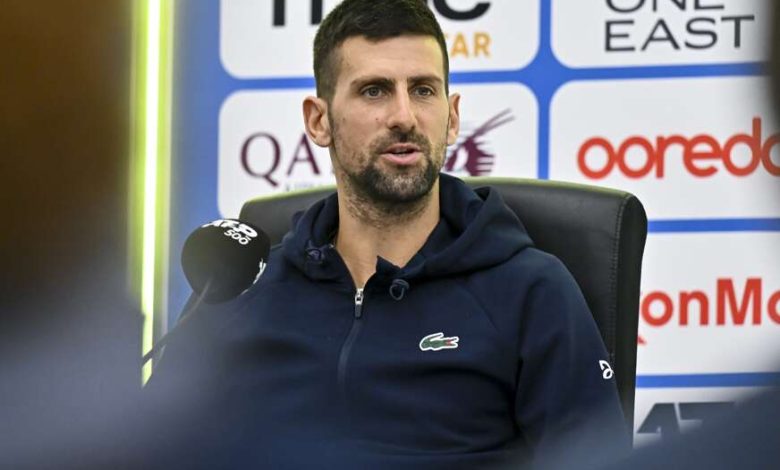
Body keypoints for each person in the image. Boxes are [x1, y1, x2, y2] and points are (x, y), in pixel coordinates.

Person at [146, 0, 627, 467]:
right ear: (318, 121)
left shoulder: (530, 291)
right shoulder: (242, 289)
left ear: (452, 117)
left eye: (423, 90)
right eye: (374, 91)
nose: (404, 116)